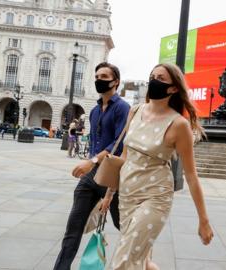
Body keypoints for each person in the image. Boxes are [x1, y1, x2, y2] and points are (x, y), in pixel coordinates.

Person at [100, 63, 214, 270]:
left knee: (124, 259)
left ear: (173, 88)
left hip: (155, 196)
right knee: (139, 259)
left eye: (160, 78)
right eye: (152, 76)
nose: (153, 81)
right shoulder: (134, 112)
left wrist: (203, 220)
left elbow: (191, 175)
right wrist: (109, 195)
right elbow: (124, 157)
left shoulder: (179, 125)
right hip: (127, 195)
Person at [54, 62, 130, 270]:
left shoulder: (123, 108)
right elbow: (95, 142)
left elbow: (119, 143)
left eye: (104, 76)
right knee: (73, 228)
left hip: (111, 176)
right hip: (91, 177)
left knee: (122, 225)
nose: (99, 80)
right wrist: (91, 161)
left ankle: (140, 258)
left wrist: (93, 161)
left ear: (116, 82)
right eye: (97, 76)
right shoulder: (95, 110)